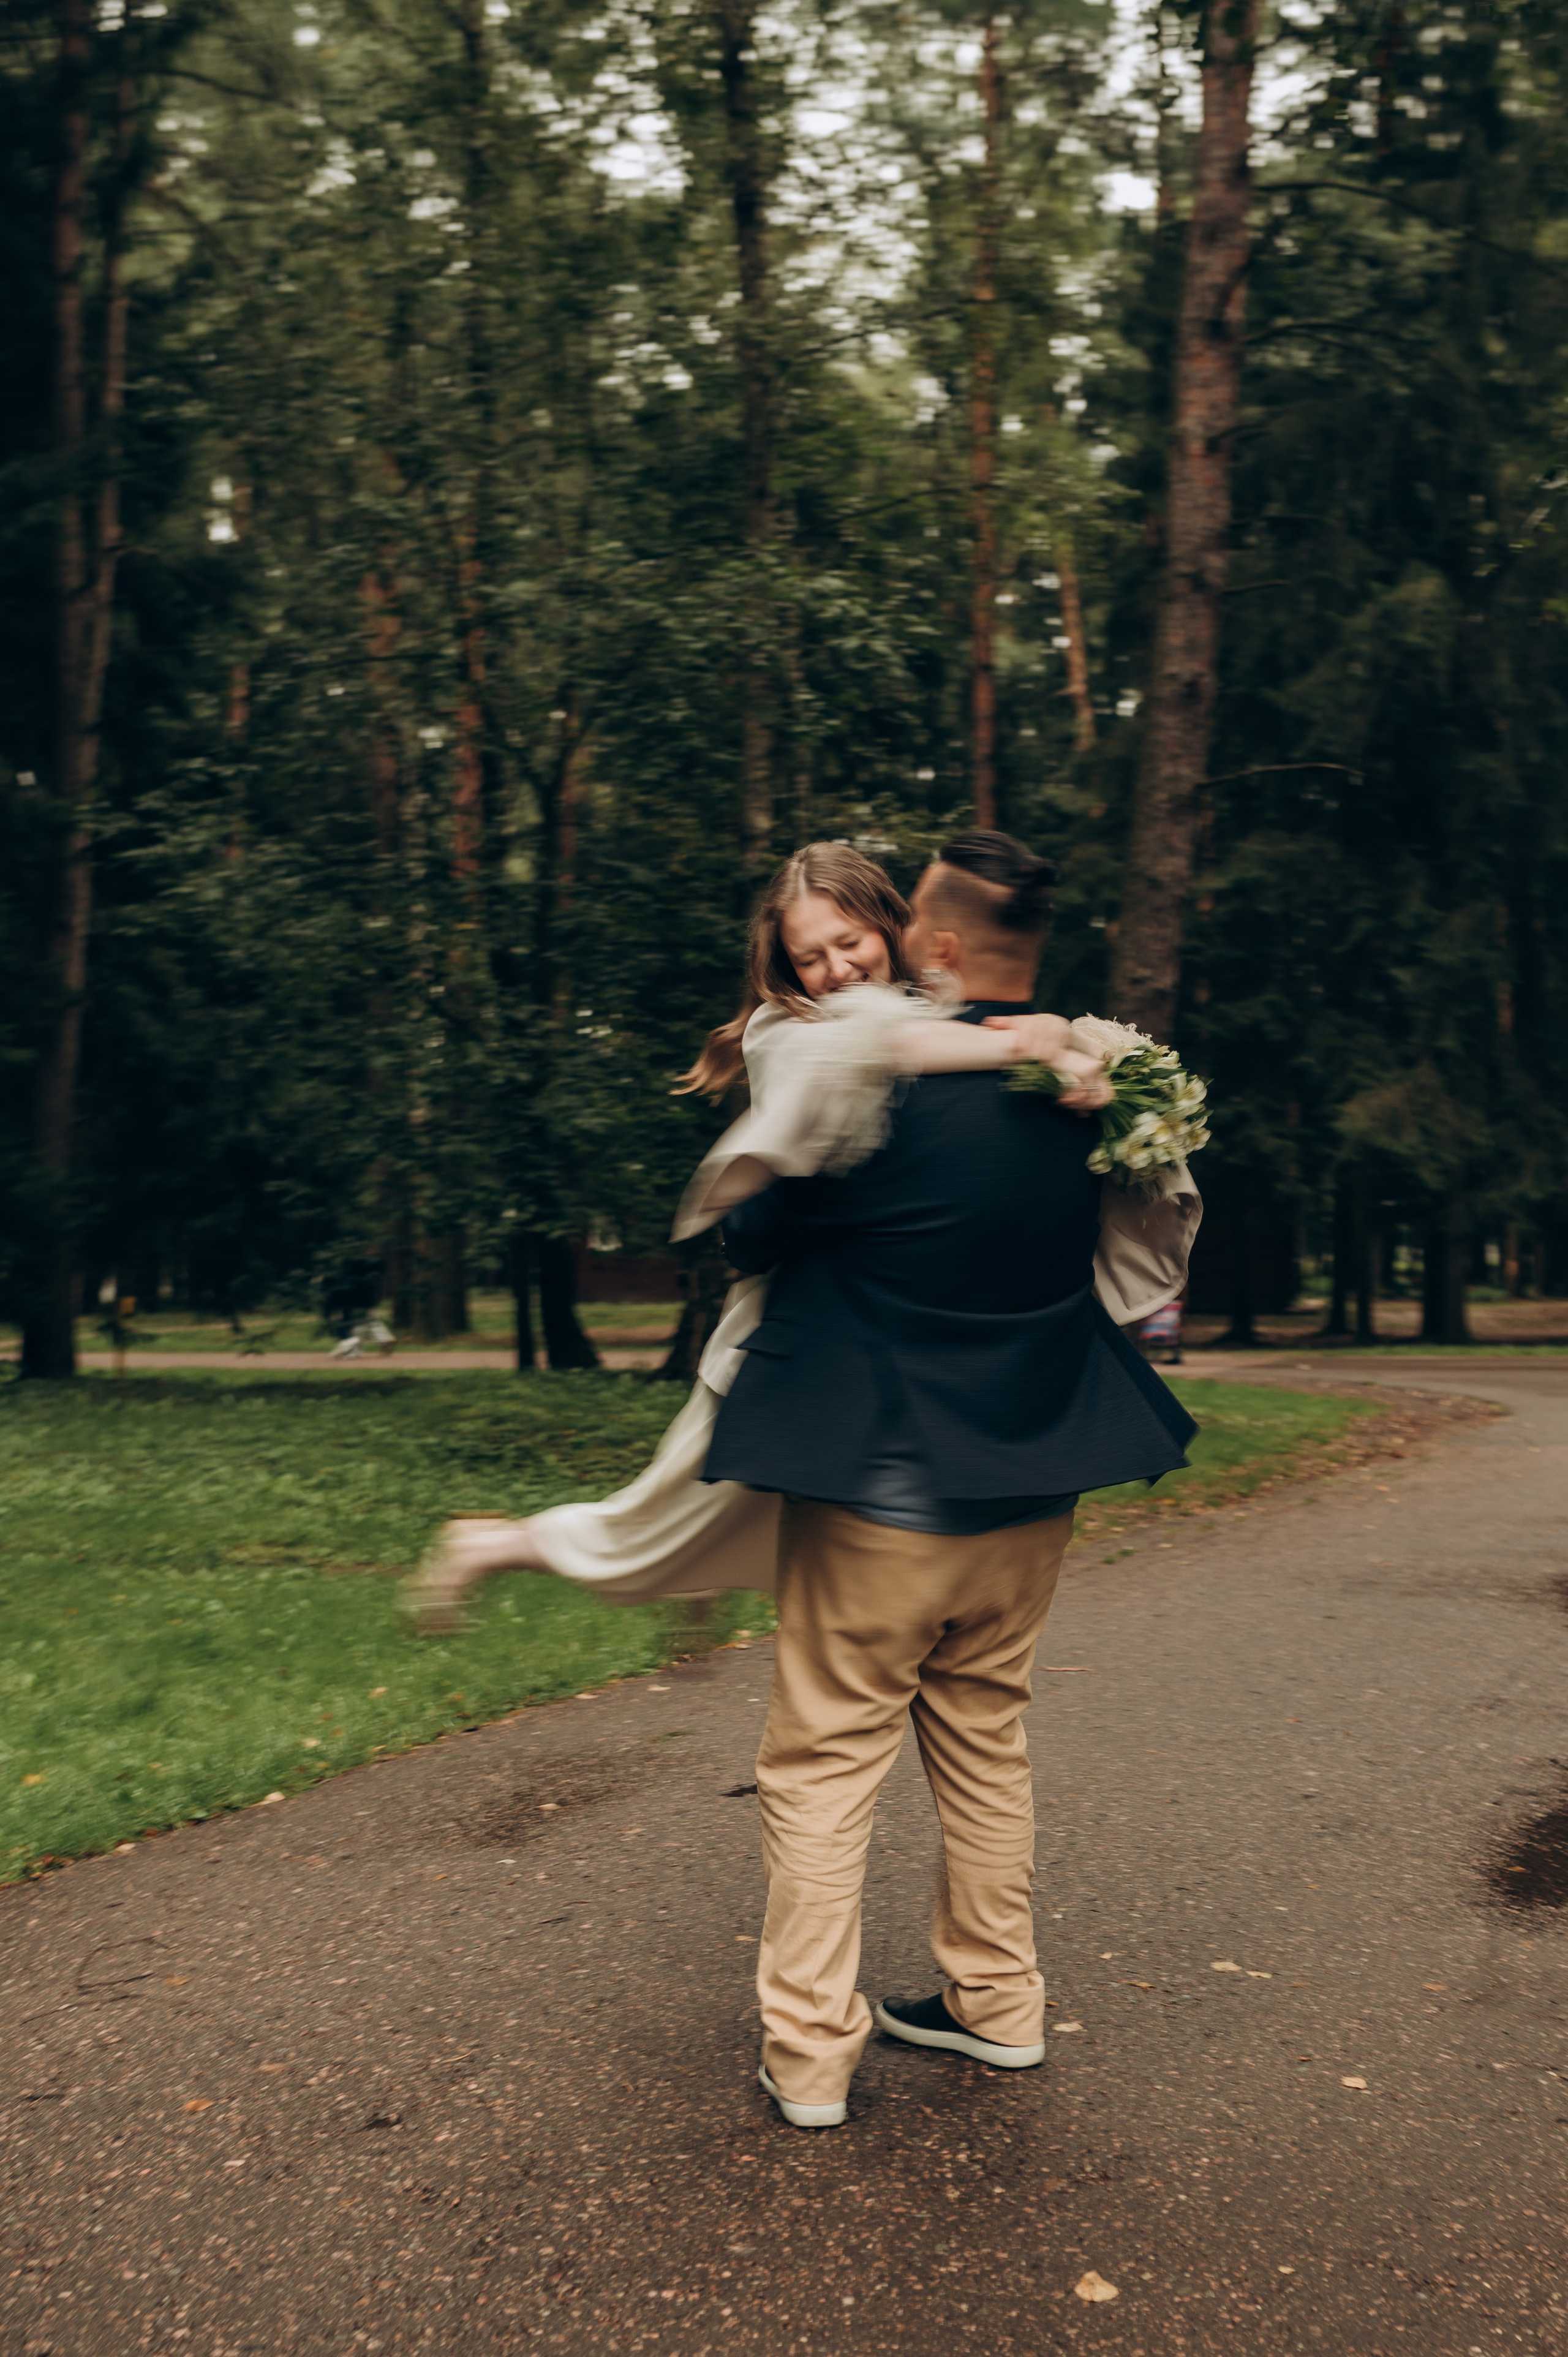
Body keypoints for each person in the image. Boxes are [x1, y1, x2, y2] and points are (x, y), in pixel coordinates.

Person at [703, 829, 1199, 2129]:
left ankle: (809, 2058)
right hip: (1036, 1475)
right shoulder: (1091, 1079)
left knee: (822, 1762)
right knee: (983, 1738)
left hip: (880, 1485)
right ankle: (998, 2005)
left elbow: (749, 1226)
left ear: (927, 935)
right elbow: (1135, 1239)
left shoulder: (857, 1085)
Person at [399, 843, 1103, 1632]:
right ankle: (486, 1547)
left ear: (891, 925)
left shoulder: (927, 1001)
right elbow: (884, 1052)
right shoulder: (790, 1031)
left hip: (851, 1352)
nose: (837, 969)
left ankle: (694, 1582)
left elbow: (949, 1034)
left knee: (752, 1522)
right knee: (645, 1533)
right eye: (811, 957)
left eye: (851, 942)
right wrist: (1029, 1042)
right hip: (777, 1346)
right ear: (784, 967)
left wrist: (1054, 1037)